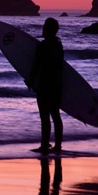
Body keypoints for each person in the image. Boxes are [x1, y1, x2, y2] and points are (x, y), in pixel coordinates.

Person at [26, 17, 64, 153]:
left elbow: (37, 64)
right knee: (55, 114)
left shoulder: (43, 46)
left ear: (47, 29)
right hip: (57, 84)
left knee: (44, 116)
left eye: (44, 27)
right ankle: (58, 145)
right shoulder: (58, 45)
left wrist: (30, 80)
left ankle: (44, 144)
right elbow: (60, 66)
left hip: (45, 84)